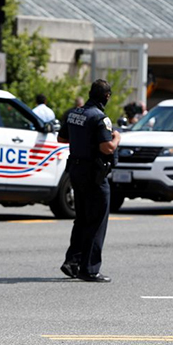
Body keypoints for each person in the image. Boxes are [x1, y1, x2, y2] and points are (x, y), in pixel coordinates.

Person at [57, 79, 121, 282]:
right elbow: (107, 148)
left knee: (82, 219)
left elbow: (62, 139)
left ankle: (72, 262)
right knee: (97, 221)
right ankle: (90, 268)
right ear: (107, 96)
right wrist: (117, 138)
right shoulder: (100, 118)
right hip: (94, 174)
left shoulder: (74, 114)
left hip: (75, 170)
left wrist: (82, 140)